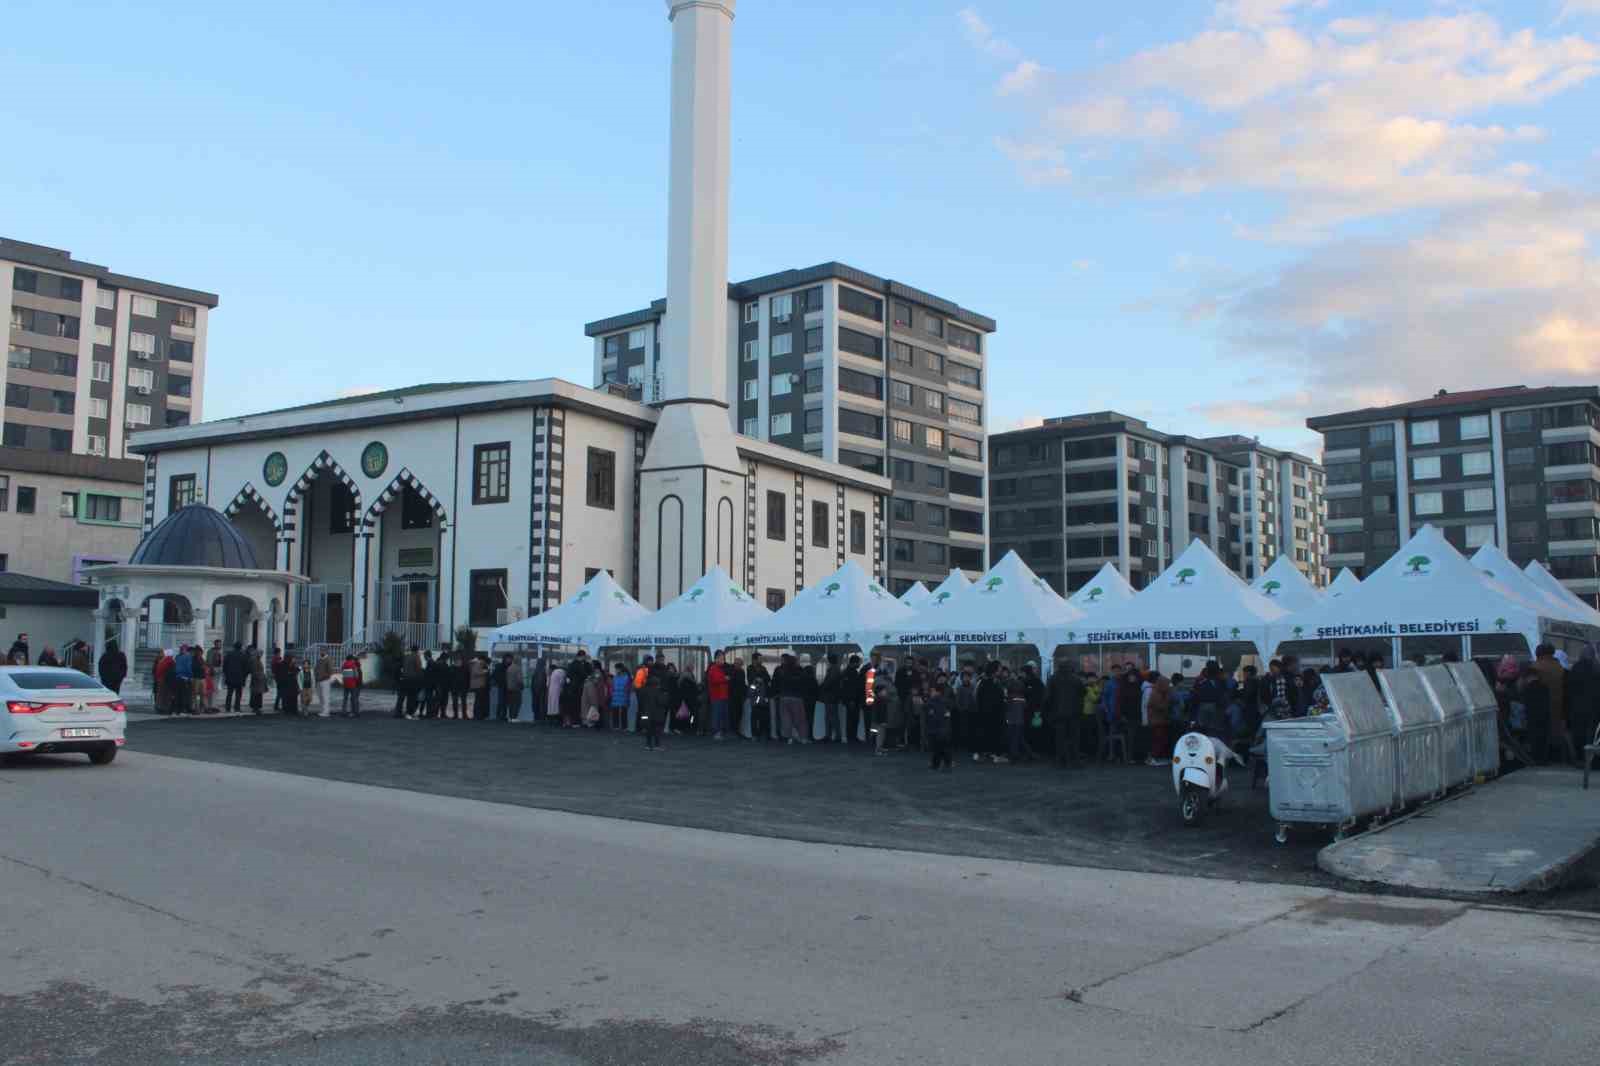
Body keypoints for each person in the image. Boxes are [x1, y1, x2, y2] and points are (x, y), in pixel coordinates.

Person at [1532, 644, 1575, 764]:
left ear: (1538, 653)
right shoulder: (1562, 669)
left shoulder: (1535, 667)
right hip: (1560, 709)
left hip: (1539, 711)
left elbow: (1523, 688)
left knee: (1541, 737)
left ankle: (1541, 759)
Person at [927, 680, 954, 771]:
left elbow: (932, 715)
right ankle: (947, 762)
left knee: (937, 748)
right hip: (944, 729)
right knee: (943, 747)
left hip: (937, 728)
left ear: (938, 692)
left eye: (932, 691)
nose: (931, 692)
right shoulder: (945, 701)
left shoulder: (933, 702)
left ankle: (937, 764)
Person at [1146, 671, 1172, 765]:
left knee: (1160, 739)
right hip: (1156, 721)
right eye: (1167, 684)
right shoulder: (1156, 694)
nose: (1168, 686)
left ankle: (1155, 757)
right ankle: (1153, 757)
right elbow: (1162, 707)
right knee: (1158, 739)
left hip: (1158, 720)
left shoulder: (1158, 692)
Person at [706, 650, 731, 740]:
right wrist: (725, 678)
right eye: (721, 658)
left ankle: (720, 732)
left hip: (723, 696)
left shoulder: (721, 669)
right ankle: (716, 732)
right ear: (716, 658)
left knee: (722, 715)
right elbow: (715, 680)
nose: (723, 660)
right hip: (717, 696)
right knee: (717, 715)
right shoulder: (713, 668)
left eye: (723, 658)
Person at [638, 667, 664, 750]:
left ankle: (648, 745)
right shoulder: (658, 691)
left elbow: (641, 701)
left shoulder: (643, 690)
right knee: (657, 730)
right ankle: (657, 745)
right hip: (656, 714)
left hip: (646, 713)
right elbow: (661, 702)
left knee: (648, 730)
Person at [748, 654, 772, 740]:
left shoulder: (763, 668)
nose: (761, 660)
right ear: (754, 660)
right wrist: (759, 680)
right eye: (759, 659)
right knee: (755, 714)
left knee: (764, 714)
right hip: (756, 695)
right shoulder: (750, 668)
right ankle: (755, 734)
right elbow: (753, 680)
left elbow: (767, 679)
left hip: (763, 694)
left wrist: (761, 680)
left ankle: (762, 733)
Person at [820, 652, 843, 743]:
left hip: (831, 696)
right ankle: (833, 735)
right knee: (832, 716)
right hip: (833, 696)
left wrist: (822, 687)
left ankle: (833, 735)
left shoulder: (833, 670)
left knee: (831, 716)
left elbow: (829, 682)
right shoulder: (836, 669)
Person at [220, 642, 247, 712]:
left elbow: (225, 665)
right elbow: (246, 668)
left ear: (234, 647)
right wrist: (244, 677)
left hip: (230, 677)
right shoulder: (243, 655)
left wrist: (226, 674)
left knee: (229, 693)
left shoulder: (229, 654)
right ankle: (237, 707)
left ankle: (227, 707)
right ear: (240, 647)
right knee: (238, 694)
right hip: (239, 677)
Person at [340, 651, 363, 717]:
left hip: (345, 684)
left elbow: (343, 674)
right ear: (351, 659)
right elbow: (356, 675)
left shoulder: (344, 665)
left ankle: (343, 711)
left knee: (345, 698)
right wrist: (356, 681)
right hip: (353, 684)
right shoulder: (353, 665)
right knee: (354, 698)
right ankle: (355, 712)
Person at [314, 651, 336, 717]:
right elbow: (316, 668)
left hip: (325, 680)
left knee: (325, 696)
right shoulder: (319, 659)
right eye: (320, 650)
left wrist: (324, 676)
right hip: (318, 680)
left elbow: (331, 671)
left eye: (323, 650)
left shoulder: (328, 659)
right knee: (320, 696)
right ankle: (322, 710)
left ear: (326, 651)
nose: (321, 652)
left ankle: (326, 712)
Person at [548, 660, 568, 727]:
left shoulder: (555, 672)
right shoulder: (561, 672)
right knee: (557, 705)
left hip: (553, 690)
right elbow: (562, 682)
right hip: (557, 690)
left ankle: (553, 720)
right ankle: (557, 720)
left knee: (553, 705)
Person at [470, 654, 490, 722]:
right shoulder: (478, 664)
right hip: (479, 685)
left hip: (478, 685)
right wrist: (485, 672)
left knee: (478, 700)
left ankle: (478, 715)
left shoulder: (478, 664)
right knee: (479, 701)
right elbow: (476, 673)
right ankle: (477, 715)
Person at [504, 656, 524, 722]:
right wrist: (522, 686)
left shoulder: (509, 668)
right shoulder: (518, 668)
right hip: (516, 689)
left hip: (509, 688)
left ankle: (510, 717)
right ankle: (514, 717)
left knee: (511, 704)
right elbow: (519, 680)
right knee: (517, 703)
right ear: (518, 661)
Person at [248, 647, 267, 713]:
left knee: (258, 694)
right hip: (257, 680)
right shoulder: (254, 660)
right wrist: (260, 675)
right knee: (256, 694)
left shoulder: (258, 660)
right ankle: (255, 707)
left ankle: (257, 707)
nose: (261, 655)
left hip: (259, 680)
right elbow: (254, 670)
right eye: (260, 653)